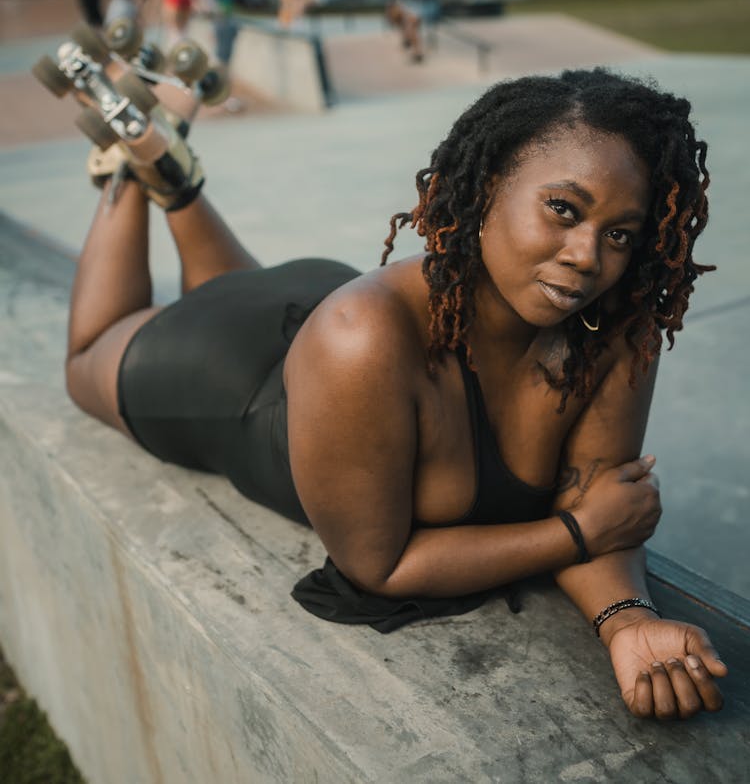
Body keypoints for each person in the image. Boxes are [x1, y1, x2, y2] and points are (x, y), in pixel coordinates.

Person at [62, 67, 727, 721]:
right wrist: (574, 532)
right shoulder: (359, 339)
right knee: (89, 355)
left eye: (619, 234)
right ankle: (129, 159)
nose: (587, 255)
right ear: (490, 186)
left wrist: (627, 622)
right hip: (235, 378)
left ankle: (172, 175)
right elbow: (383, 566)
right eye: (563, 209)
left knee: (240, 286)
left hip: (330, 328)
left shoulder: (610, 330)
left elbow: (608, 510)